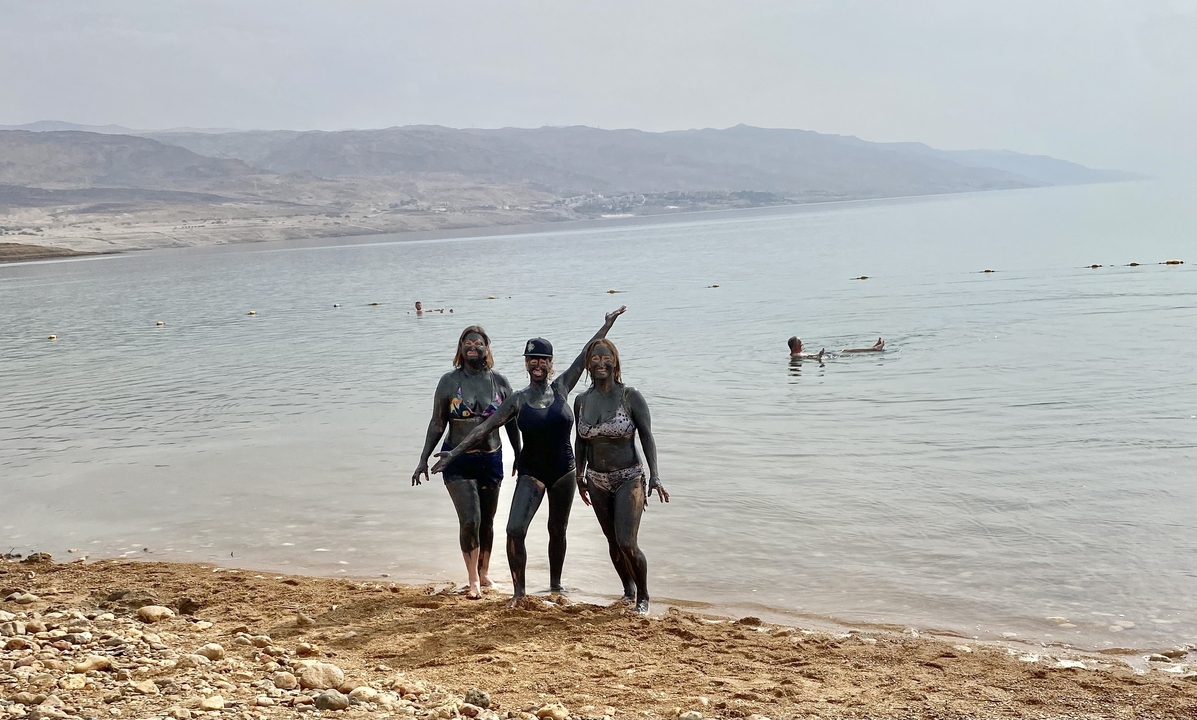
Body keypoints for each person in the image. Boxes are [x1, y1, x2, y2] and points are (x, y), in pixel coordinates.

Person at [433, 306, 627, 603]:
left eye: (543, 359)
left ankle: (556, 586)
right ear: (526, 364)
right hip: (531, 473)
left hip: (564, 471)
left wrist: (606, 326)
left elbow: (585, 354)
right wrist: (452, 453)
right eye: (532, 359)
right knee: (514, 529)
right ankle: (519, 592)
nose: (537, 363)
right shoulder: (517, 399)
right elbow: (483, 428)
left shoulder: (562, 388)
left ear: (551, 363)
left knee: (557, 530)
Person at [412, 326, 520, 599]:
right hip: (456, 460)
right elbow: (437, 423)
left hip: (492, 458)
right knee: (470, 519)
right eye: (467, 342)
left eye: (478, 342)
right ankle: (472, 579)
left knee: (488, 521)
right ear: (460, 348)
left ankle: (484, 574)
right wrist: (423, 458)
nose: (472, 346)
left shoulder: (500, 382)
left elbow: (512, 424)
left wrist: (520, 455)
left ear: (487, 348)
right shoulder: (449, 381)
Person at [573, 338, 667, 615]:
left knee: (627, 542)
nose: (601, 363)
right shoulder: (581, 400)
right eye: (595, 359)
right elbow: (580, 442)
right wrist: (580, 475)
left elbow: (648, 437)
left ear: (615, 362)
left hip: (630, 477)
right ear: (588, 366)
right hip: (596, 479)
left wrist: (656, 476)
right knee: (613, 542)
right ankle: (628, 592)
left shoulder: (630, 396)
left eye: (606, 358)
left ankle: (644, 597)